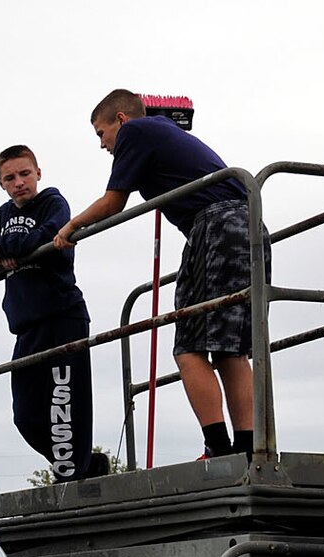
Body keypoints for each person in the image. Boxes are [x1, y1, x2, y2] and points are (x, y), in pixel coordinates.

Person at [55, 89, 262, 462]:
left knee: (188, 347)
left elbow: (113, 200)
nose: (102, 145)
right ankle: (246, 450)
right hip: (249, 223)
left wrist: (71, 227)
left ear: (121, 119)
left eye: (101, 134)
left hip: (215, 225)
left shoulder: (136, 132)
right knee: (231, 347)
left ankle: (218, 448)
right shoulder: (164, 131)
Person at [0, 145, 105, 481]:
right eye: (10, 178)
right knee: (26, 415)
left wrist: (7, 250)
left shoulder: (52, 202)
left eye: (24, 174)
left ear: (38, 173)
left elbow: (50, 236)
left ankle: (72, 476)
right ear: (1, 183)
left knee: (63, 405)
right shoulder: (2, 216)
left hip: (61, 316)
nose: (19, 182)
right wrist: (3, 254)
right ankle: (84, 464)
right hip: (25, 325)